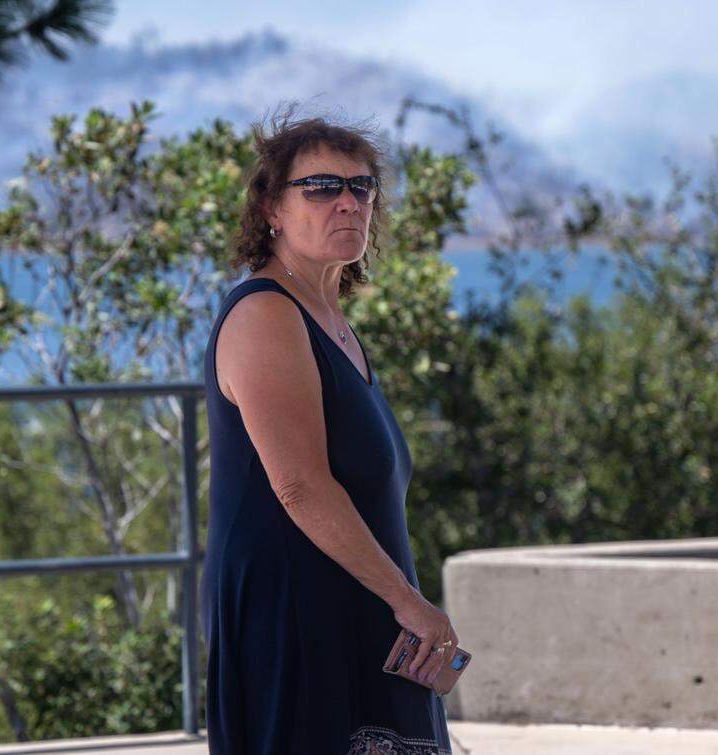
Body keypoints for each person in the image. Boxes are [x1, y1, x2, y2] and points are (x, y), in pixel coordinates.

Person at [199, 106, 458, 755]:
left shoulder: (330, 322)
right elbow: (300, 487)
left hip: (361, 603)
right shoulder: (266, 313)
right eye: (321, 186)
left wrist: (400, 601)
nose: (348, 201)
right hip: (296, 617)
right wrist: (409, 600)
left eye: (360, 186)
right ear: (271, 209)